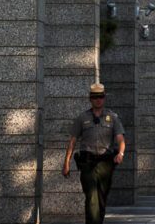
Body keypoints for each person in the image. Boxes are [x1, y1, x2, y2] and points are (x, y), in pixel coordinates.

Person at [62, 82, 126, 224]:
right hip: (88, 163)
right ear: (90, 98)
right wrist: (66, 163)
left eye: (101, 97)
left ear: (104, 98)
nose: (98, 100)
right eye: (95, 97)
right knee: (91, 197)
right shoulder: (82, 118)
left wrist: (120, 154)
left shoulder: (112, 117)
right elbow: (72, 141)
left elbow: (121, 139)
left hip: (105, 163)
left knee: (101, 199)